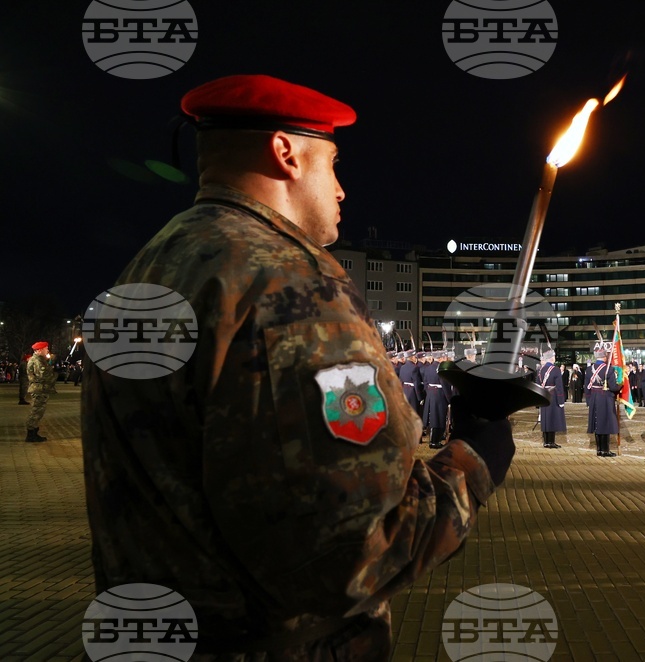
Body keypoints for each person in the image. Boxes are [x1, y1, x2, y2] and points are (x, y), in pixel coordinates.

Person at [81, 75, 516, 659]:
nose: (341, 190)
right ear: (286, 153)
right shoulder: (287, 285)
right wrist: (474, 456)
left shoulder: (157, 261)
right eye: (332, 163)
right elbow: (349, 554)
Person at [585, 348, 621, 457]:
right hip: (605, 397)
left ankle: (599, 449)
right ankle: (605, 450)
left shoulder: (589, 369)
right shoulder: (608, 369)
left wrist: (589, 400)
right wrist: (621, 385)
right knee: (605, 423)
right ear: (605, 357)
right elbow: (613, 387)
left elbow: (586, 387)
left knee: (597, 423)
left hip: (594, 397)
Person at [536, 349, 566, 449]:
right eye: (554, 357)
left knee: (545, 419)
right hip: (553, 396)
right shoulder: (555, 369)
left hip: (543, 395)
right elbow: (559, 386)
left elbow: (537, 384)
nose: (554, 358)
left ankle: (546, 441)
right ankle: (551, 442)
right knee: (553, 419)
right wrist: (561, 400)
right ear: (551, 358)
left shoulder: (541, 370)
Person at [25, 341, 52, 442]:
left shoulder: (38, 359)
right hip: (39, 389)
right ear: (40, 350)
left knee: (38, 411)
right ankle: (31, 434)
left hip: (39, 388)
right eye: (46, 348)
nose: (47, 350)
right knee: (36, 411)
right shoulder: (38, 361)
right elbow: (43, 375)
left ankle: (33, 432)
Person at [422, 351, 449, 448]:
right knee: (438, 418)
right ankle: (434, 442)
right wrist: (449, 399)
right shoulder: (440, 368)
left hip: (430, 394)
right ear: (441, 358)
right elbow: (445, 385)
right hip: (439, 395)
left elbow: (425, 382)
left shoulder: (428, 367)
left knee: (433, 418)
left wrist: (429, 392)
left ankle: (434, 440)